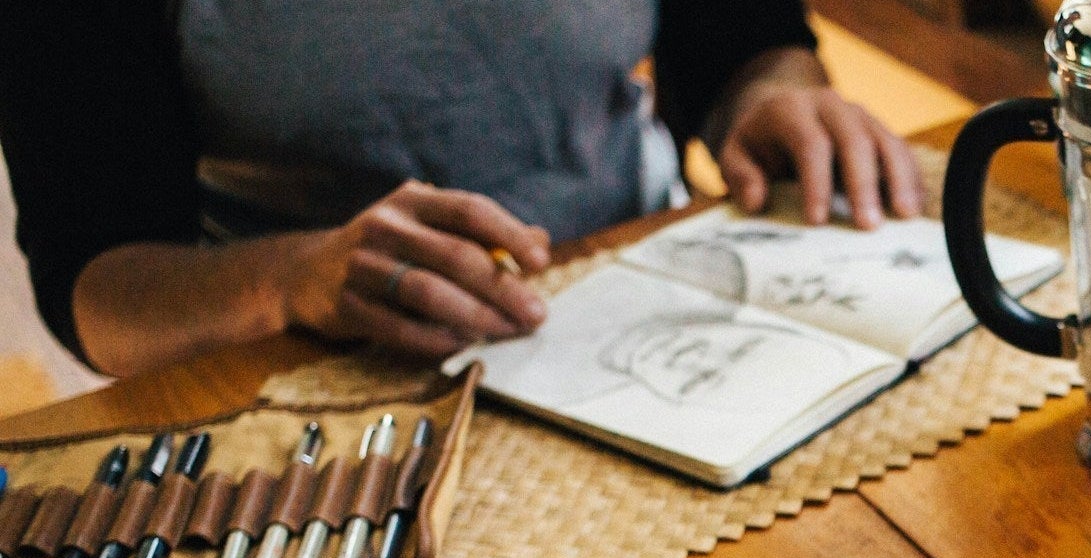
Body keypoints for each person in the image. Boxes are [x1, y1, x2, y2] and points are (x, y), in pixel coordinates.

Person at [0, 1, 924, 379]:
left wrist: (772, 97)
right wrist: (291, 280)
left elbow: (742, 38)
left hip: (640, 290)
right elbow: (97, 281)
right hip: (316, 370)